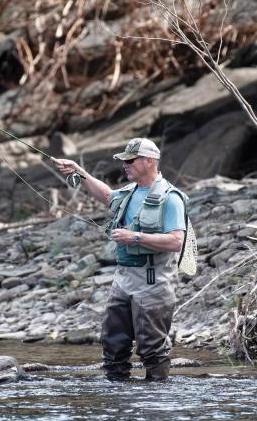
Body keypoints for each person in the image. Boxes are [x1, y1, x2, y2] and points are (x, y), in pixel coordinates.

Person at [51, 137, 187, 381]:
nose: (125, 165)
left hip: (153, 280)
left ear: (149, 161)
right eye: (124, 161)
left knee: (152, 349)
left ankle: (157, 400)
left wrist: (134, 237)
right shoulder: (128, 192)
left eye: (130, 161)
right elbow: (106, 195)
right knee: (113, 344)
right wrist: (79, 173)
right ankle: (117, 399)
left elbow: (176, 241)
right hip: (123, 279)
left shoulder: (171, 198)